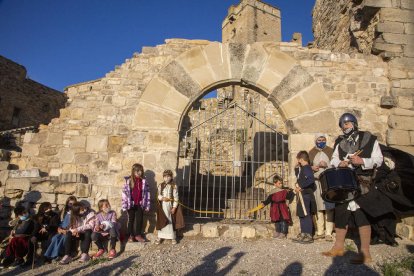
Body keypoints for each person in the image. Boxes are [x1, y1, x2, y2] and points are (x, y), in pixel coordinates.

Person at [322, 113, 383, 264]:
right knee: (341, 215)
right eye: (343, 124)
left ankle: (365, 253)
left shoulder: (369, 139)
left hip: (363, 183)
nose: (345, 126)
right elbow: (334, 159)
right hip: (344, 184)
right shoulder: (340, 141)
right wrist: (339, 163)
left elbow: (379, 160)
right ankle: (338, 247)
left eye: (347, 123)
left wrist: (362, 160)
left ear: (354, 123)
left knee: (361, 216)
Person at [309, 134, 335, 241]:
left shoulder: (331, 151)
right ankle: (320, 231)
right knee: (319, 207)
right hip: (317, 182)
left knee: (329, 207)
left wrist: (327, 165)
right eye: (319, 140)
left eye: (323, 139)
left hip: (328, 182)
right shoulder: (311, 152)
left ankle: (328, 233)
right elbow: (306, 166)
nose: (321, 141)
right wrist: (312, 168)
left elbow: (336, 165)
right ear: (316, 140)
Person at [292, 151, 317, 244]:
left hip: (306, 195)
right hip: (302, 195)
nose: (297, 161)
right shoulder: (303, 168)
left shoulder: (306, 168)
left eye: (298, 160)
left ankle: (308, 235)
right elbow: (300, 178)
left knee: (306, 215)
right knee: (302, 214)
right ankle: (303, 233)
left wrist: (301, 187)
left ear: (301, 159)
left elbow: (310, 179)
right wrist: (296, 168)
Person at [121, 163, 151, 243]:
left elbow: (147, 193)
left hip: (140, 204)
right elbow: (124, 194)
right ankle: (130, 235)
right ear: (133, 171)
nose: (139, 172)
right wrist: (124, 205)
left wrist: (147, 205)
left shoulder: (144, 181)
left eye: (141, 171)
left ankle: (138, 235)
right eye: (137, 171)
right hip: (131, 204)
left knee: (140, 219)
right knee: (131, 220)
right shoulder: (129, 181)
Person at [260, 175, 294, 239]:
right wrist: (264, 203)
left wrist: (291, 192)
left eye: (281, 183)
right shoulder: (272, 192)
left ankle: (283, 233)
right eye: (279, 183)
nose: (281, 185)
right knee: (276, 220)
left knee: (283, 220)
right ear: (275, 184)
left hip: (282, 207)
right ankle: (277, 231)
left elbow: (288, 197)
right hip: (275, 207)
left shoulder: (284, 191)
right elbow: (268, 200)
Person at [155, 170, 184, 245]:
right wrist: (162, 198)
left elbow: (176, 198)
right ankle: (160, 236)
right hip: (162, 206)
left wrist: (174, 207)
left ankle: (172, 237)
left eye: (168, 176)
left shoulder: (174, 186)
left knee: (171, 220)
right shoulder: (160, 185)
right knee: (162, 219)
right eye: (165, 176)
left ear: (171, 177)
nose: (166, 178)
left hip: (170, 206)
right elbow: (158, 195)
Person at [44, 196, 77, 262]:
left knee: (63, 238)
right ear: (67, 203)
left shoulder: (76, 212)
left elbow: (76, 224)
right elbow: (60, 222)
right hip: (62, 229)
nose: (71, 205)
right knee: (55, 238)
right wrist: (59, 229)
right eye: (70, 203)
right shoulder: (64, 212)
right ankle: (49, 255)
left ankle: (57, 255)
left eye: (73, 204)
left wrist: (68, 230)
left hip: (69, 230)